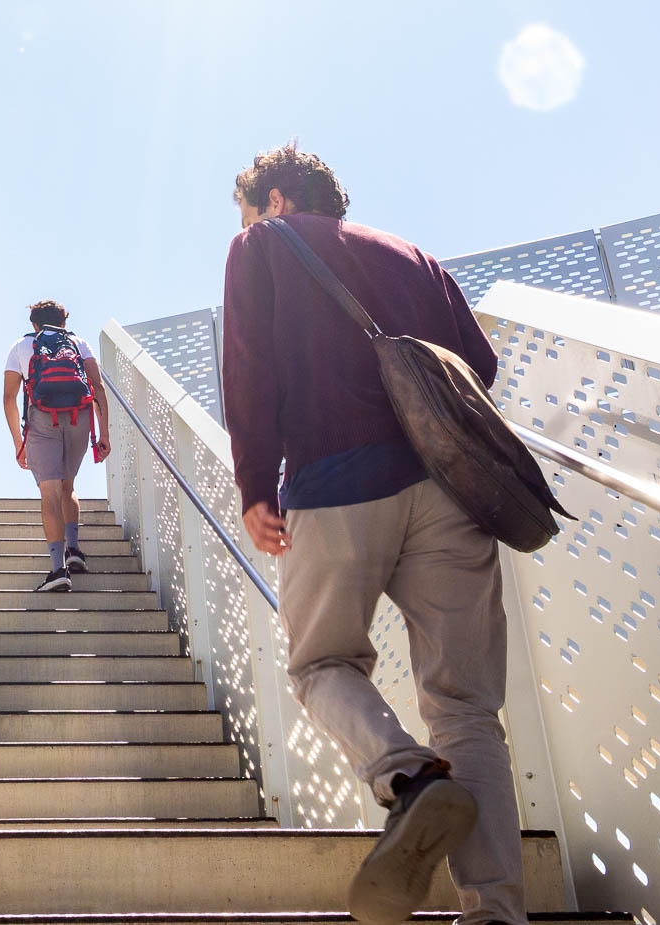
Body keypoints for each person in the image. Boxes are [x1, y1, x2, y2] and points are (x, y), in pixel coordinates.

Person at [219, 143, 517, 925]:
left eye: (251, 208)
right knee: (467, 708)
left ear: (275, 201)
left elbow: (248, 368)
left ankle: (410, 779)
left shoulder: (261, 246)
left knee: (321, 662)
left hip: (333, 483)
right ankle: (495, 911)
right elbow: (476, 366)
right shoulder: (412, 255)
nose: (248, 222)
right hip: (451, 495)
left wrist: (254, 484)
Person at [3, 300, 108, 592]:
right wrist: (104, 434)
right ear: (63, 322)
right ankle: (74, 550)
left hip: (42, 419)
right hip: (80, 417)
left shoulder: (21, 347)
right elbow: (97, 387)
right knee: (68, 486)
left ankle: (58, 569)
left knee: (49, 492)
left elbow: (8, 398)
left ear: (34, 324)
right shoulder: (78, 343)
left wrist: (19, 444)